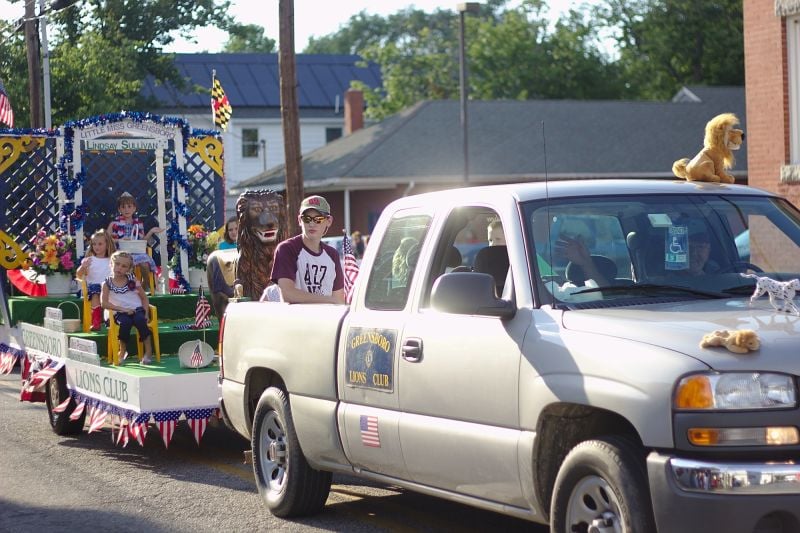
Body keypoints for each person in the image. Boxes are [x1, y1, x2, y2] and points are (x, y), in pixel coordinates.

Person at [265, 195, 345, 304]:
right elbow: (288, 295)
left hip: (325, 318)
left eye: (318, 219)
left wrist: (333, 301)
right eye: (306, 219)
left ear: (329, 221)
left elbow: (339, 300)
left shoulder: (332, 255)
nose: (311, 223)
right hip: (296, 319)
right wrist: (329, 300)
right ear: (299, 220)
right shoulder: (287, 249)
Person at [101, 251, 154, 364]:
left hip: (136, 309)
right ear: (111, 264)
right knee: (125, 323)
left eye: (124, 266)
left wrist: (146, 314)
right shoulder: (107, 283)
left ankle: (148, 351)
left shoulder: (132, 280)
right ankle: (123, 350)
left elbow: (144, 298)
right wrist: (123, 309)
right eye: (117, 264)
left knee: (140, 321)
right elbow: (104, 303)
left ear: (129, 269)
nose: (119, 268)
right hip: (118, 312)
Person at [107, 192, 164, 288]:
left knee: (144, 264)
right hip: (121, 252)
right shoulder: (115, 223)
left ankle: (145, 284)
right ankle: (128, 287)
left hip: (136, 251)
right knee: (128, 265)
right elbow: (107, 239)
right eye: (123, 207)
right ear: (119, 209)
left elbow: (142, 240)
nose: (126, 210)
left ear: (134, 208)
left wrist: (151, 231)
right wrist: (120, 240)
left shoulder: (138, 224)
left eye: (129, 207)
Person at [76, 229, 115, 331]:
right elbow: (78, 275)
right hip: (93, 288)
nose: (96, 247)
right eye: (94, 244)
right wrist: (83, 267)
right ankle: (96, 320)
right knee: (96, 291)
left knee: (113, 289)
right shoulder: (89, 260)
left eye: (100, 244)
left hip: (108, 286)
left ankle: (110, 319)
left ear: (107, 244)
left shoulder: (112, 260)